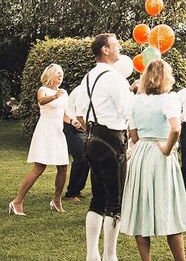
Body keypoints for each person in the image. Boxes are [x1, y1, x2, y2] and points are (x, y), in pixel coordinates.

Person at [119, 59, 186, 261]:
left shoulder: (134, 101)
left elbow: (133, 135)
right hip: (161, 154)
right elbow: (176, 129)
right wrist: (167, 148)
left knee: (141, 209)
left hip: (141, 154)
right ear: (166, 77)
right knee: (169, 208)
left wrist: (145, 141)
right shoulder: (169, 99)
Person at [73, 33, 133, 261]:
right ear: (105, 50)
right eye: (116, 45)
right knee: (115, 201)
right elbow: (126, 112)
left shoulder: (87, 77)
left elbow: (78, 112)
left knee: (97, 198)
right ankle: (110, 256)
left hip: (90, 139)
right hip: (111, 139)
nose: (119, 48)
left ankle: (92, 254)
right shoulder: (115, 78)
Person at [9, 63, 70, 216]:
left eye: (62, 73)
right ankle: (17, 202)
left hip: (58, 133)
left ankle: (56, 201)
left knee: (63, 168)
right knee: (39, 168)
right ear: (50, 75)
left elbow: (64, 114)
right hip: (45, 132)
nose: (60, 75)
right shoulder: (43, 90)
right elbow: (41, 101)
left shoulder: (64, 93)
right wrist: (55, 96)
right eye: (58, 73)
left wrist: (74, 122)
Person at [63, 92, 91, 202]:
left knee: (87, 159)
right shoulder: (81, 91)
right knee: (81, 158)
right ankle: (71, 193)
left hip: (81, 127)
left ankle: (77, 190)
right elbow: (79, 115)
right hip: (73, 126)